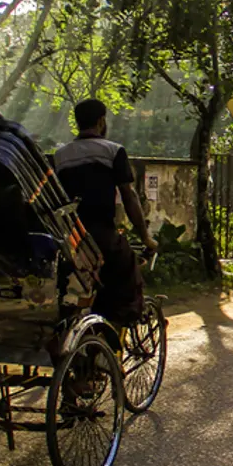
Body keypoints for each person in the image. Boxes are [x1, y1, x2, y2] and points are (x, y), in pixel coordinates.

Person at [53, 99, 157, 325]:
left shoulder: (60, 156)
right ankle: (123, 322)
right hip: (102, 234)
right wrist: (145, 237)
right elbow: (128, 196)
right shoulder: (113, 151)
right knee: (127, 269)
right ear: (101, 121)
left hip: (71, 237)